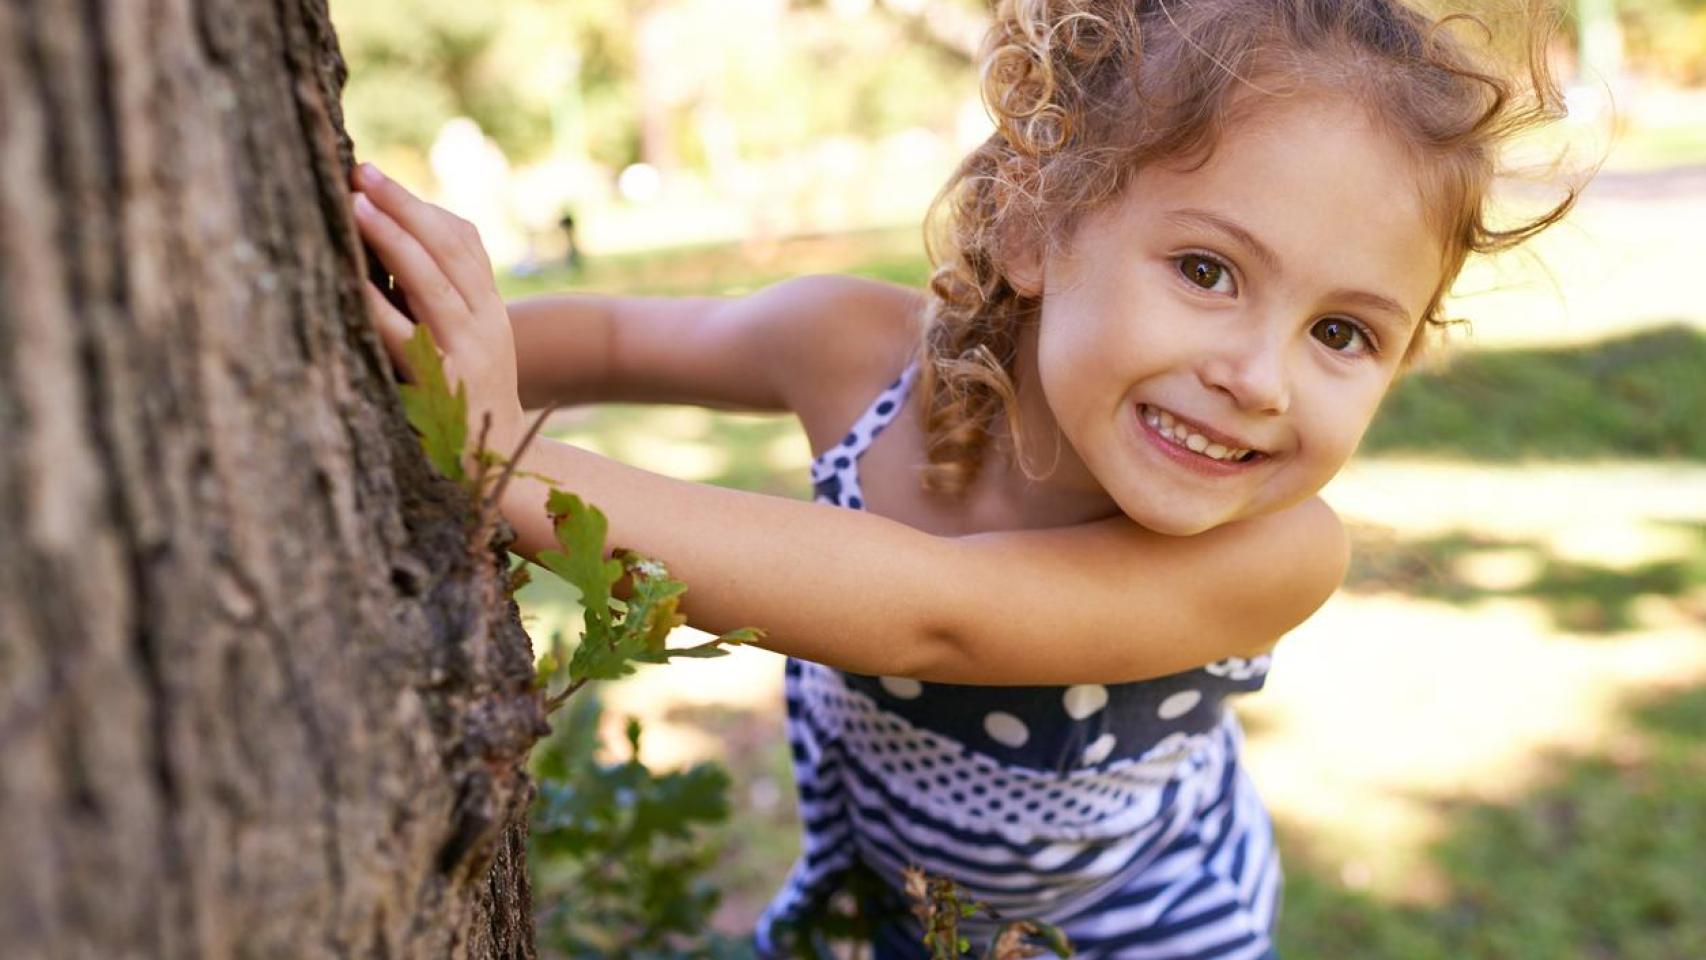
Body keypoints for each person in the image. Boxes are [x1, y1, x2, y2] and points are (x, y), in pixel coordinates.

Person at [348, 0, 1574, 954]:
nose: (1259, 377)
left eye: (1341, 333)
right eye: (1205, 270)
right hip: (879, 909)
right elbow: (621, 341)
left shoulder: (1274, 553)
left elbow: (935, 612)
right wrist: (420, 337)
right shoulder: (851, 353)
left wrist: (503, 455)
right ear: (1036, 224)